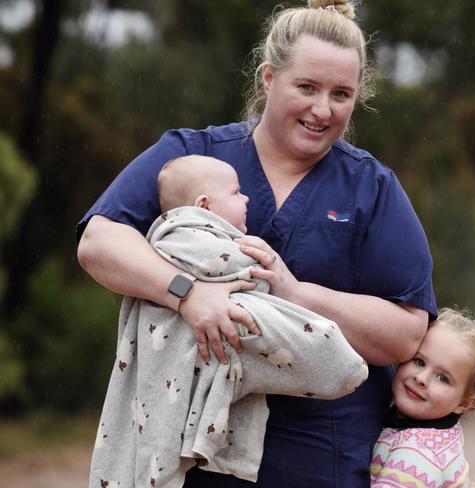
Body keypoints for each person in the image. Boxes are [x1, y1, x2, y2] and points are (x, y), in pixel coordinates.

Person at [76, 1, 436, 486]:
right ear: (268, 78)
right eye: (306, 87)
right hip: (194, 459)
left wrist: (296, 293)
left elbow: (405, 334)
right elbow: (99, 242)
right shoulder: (194, 154)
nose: (322, 110)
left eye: (341, 94)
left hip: (321, 460)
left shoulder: (372, 189)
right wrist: (188, 294)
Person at [90, 154, 368, 487]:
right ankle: (335, 360)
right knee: (309, 342)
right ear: (204, 205)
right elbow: (250, 275)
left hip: (198, 363)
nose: (247, 197)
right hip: (183, 358)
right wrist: (263, 266)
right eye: (236, 192)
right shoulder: (183, 236)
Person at [370, 308, 475, 488]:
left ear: (464, 403)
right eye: (419, 361)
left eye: (442, 378)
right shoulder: (440, 433)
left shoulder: (416, 453)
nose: (421, 378)